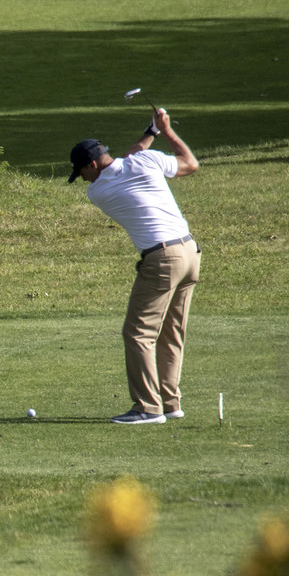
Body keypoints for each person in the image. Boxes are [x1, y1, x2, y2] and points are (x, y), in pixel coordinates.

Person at [68, 106, 200, 425]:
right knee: (171, 331)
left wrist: (151, 133)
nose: (81, 178)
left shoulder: (99, 190)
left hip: (161, 258)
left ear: (92, 165)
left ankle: (147, 408)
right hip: (190, 252)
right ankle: (170, 402)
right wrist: (162, 131)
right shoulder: (145, 161)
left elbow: (129, 155)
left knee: (138, 333)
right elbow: (189, 164)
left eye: (80, 171)